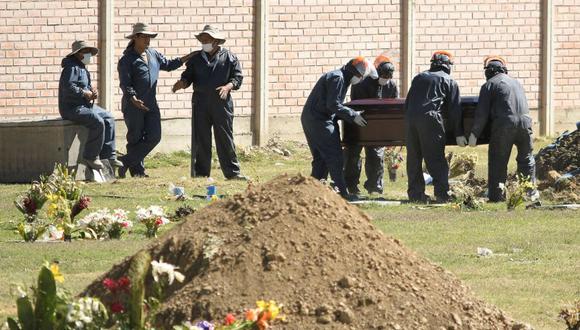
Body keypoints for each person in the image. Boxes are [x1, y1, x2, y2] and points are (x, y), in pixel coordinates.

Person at [117, 23, 194, 177]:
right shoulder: (127, 60)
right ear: (135, 38)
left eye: (149, 37)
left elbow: (169, 65)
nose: (148, 40)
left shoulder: (153, 54)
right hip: (133, 105)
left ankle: (124, 161)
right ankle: (137, 171)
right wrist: (133, 99)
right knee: (135, 138)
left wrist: (188, 56)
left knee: (155, 136)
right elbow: (125, 84)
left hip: (151, 104)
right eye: (144, 37)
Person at [172, 25, 246, 180]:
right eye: (203, 40)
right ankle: (201, 173)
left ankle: (233, 173)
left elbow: (237, 78)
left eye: (208, 40)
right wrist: (182, 83)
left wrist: (228, 87)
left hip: (221, 104)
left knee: (224, 138)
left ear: (216, 41)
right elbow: (188, 76)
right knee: (201, 138)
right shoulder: (196, 59)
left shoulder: (229, 57)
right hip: (200, 103)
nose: (204, 42)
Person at [301, 56, 376, 198]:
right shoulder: (338, 78)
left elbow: (331, 105)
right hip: (320, 120)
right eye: (361, 77)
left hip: (313, 118)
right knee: (334, 156)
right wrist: (353, 115)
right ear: (356, 73)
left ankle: (312, 193)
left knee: (321, 159)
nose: (360, 80)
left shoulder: (340, 76)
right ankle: (343, 193)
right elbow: (333, 105)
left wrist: (350, 114)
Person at [468, 56, 537, 202]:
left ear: (489, 71)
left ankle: (496, 195)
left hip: (505, 125)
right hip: (526, 124)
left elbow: (482, 114)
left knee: (498, 160)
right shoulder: (517, 83)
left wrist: (474, 134)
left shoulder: (489, 85)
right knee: (527, 160)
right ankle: (529, 193)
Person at [405, 50, 466, 203]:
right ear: (447, 66)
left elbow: (408, 102)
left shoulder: (419, 77)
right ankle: (442, 195)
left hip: (410, 119)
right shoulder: (449, 81)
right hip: (430, 121)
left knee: (414, 158)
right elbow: (455, 109)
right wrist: (459, 133)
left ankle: (415, 195)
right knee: (436, 158)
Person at [58, 40, 122, 170]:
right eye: (85, 52)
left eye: (89, 52)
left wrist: (91, 92)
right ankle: (91, 156)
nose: (88, 55)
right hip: (72, 108)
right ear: (77, 54)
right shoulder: (71, 68)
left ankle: (109, 155)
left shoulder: (82, 68)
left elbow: (83, 87)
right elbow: (68, 87)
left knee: (108, 117)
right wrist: (83, 93)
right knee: (97, 121)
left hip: (85, 106)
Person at [343, 53, 399, 196]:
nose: (385, 80)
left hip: (378, 126)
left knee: (376, 155)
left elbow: (394, 107)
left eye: (388, 78)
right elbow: (356, 104)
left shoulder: (391, 85)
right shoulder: (362, 83)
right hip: (359, 122)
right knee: (353, 155)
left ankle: (375, 186)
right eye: (383, 77)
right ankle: (351, 185)